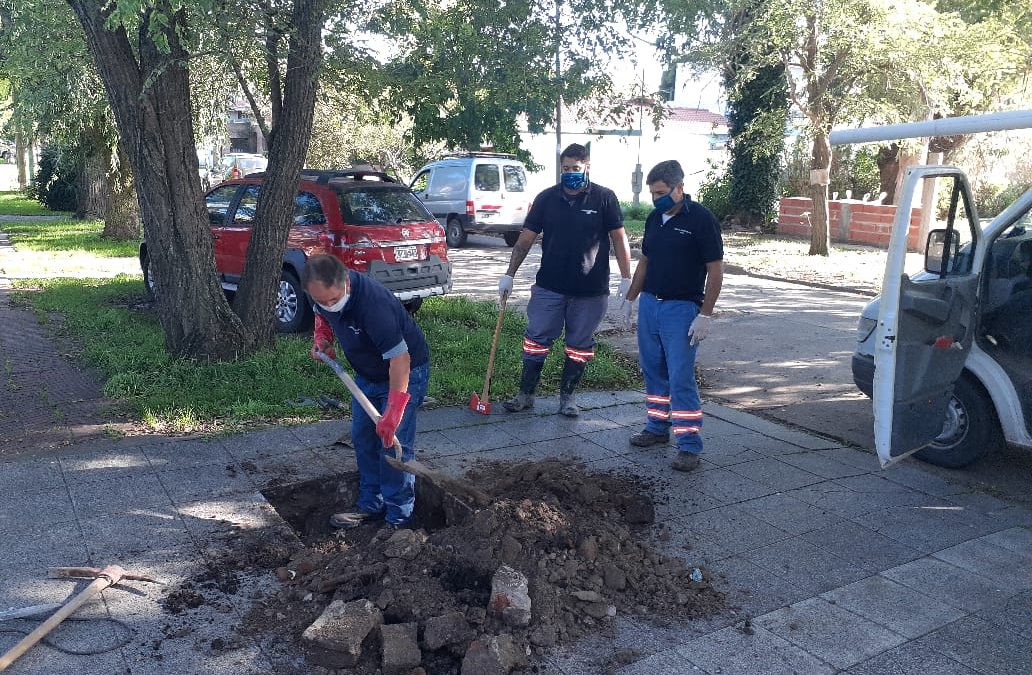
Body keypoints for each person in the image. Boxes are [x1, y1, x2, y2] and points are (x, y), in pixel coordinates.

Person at [497, 143, 633, 417]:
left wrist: (627, 277)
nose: (570, 173)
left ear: (587, 167)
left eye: (576, 168)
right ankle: (526, 395)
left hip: (591, 291)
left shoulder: (605, 198)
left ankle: (568, 399)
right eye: (566, 169)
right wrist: (508, 274)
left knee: (579, 346)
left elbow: (619, 238)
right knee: (535, 340)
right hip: (550, 287)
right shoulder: (547, 199)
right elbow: (525, 239)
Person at [304, 254, 430, 528]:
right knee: (363, 438)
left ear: (346, 282)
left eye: (333, 299)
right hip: (366, 374)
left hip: (404, 372)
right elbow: (321, 314)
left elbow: (401, 360)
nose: (329, 305)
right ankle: (372, 505)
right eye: (321, 300)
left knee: (394, 448)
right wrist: (322, 337)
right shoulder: (323, 296)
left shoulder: (374, 306)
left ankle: (400, 519)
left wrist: (393, 412)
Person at [621, 160, 723, 472]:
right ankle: (656, 427)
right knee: (653, 370)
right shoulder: (655, 219)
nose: (656, 199)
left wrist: (705, 314)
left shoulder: (702, 220)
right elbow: (645, 262)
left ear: (680, 188)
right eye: (653, 193)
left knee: (680, 377)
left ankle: (689, 445)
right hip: (652, 305)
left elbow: (715, 271)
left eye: (662, 192)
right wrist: (631, 298)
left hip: (681, 309)